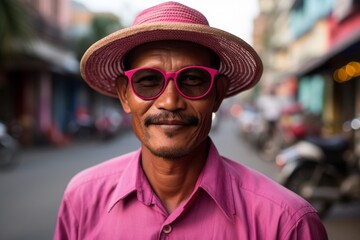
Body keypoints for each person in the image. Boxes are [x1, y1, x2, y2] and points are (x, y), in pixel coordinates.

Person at [54, 2, 328, 239]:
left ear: (217, 94)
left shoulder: (287, 223)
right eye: (148, 81)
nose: (170, 102)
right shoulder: (82, 199)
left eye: (193, 80)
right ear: (125, 96)